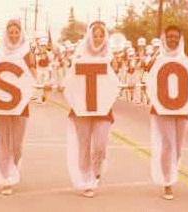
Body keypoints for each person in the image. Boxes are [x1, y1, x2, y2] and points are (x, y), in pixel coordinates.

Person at [65, 21, 115, 198]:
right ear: (89, 35)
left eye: (102, 35)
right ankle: (86, 181)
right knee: (84, 145)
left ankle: (96, 172)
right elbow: (70, 79)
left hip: (103, 108)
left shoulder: (110, 56)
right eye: (95, 34)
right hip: (81, 107)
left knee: (100, 145)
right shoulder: (79, 54)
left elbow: (113, 83)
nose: (98, 38)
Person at [0, 19, 36, 196]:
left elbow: (32, 74)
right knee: (3, 142)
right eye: (11, 32)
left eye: (16, 32)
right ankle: (5, 179)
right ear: (6, 33)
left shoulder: (28, 53)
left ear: (21, 33)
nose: (14, 35)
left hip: (21, 103)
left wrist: (33, 88)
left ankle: (14, 166)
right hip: (0, 102)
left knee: (16, 144)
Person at [148, 25, 188, 200]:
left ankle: (171, 170)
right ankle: (167, 182)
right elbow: (149, 81)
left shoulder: (185, 59)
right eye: (170, 36)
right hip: (162, 107)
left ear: (180, 39)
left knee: (178, 148)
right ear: (164, 39)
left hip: (181, 108)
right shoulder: (157, 58)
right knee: (167, 143)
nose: (173, 40)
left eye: (176, 37)